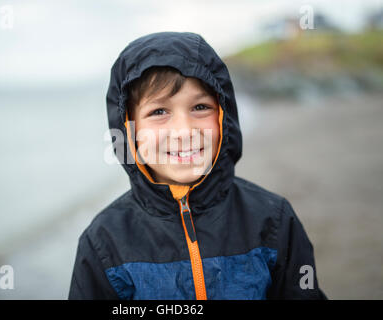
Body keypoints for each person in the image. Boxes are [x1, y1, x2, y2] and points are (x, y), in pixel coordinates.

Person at [68, 31, 327, 300]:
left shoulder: (273, 219)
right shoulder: (104, 240)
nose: (184, 131)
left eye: (200, 107)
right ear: (128, 129)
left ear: (224, 117)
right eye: (159, 112)